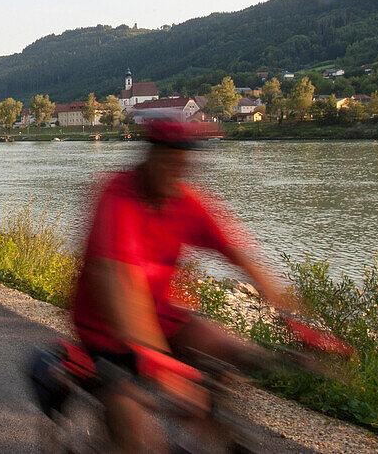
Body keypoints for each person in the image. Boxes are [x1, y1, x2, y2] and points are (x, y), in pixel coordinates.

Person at [69, 113, 295, 452]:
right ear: (150, 156)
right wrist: (161, 365)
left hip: (163, 317)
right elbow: (120, 285)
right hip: (105, 331)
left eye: (183, 164)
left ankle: (223, 438)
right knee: (138, 436)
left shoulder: (184, 199)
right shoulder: (117, 197)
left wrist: (291, 315)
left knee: (227, 350)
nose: (177, 172)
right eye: (170, 161)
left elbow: (237, 250)